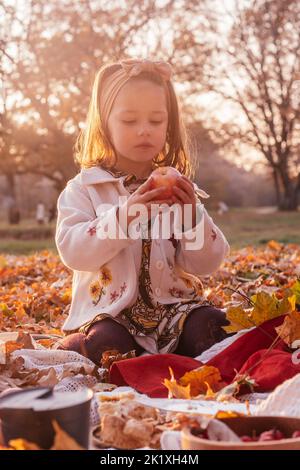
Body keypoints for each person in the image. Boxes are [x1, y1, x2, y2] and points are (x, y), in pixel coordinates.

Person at [55, 59, 230, 365]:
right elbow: (73, 251)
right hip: (110, 314)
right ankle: (89, 349)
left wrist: (193, 219)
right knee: (106, 346)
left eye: (156, 120)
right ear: (105, 122)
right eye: (129, 121)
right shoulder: (86, 188)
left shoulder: (177, 188)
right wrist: (126, 216)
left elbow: (207, 263)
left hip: (174, 313)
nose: (144, 131)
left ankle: (172, 355)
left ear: (169, 124)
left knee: (215, 325)